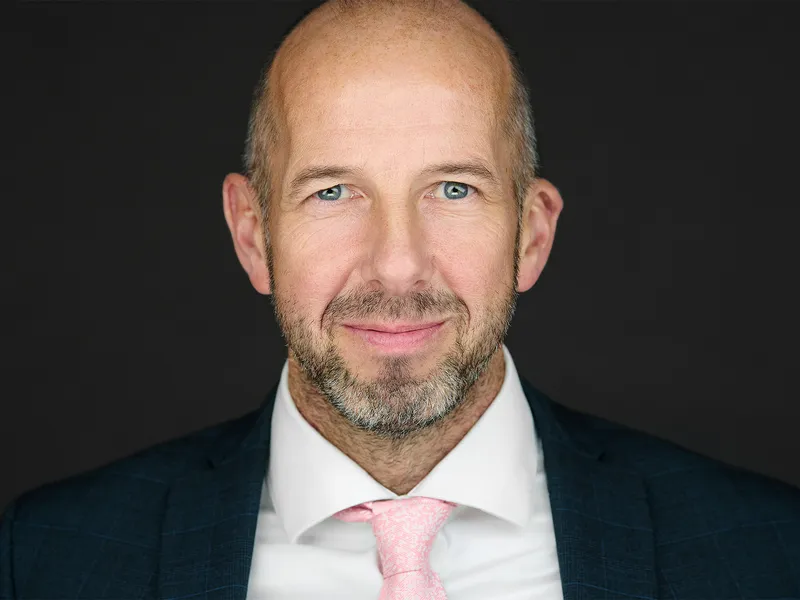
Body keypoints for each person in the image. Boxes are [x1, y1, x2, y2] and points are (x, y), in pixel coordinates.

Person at [2, 0, 799, 598]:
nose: (396, 266)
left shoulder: (770, 553)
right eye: (334, 191)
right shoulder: (44, 559)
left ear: (530, 235)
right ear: (251, 235)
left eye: (453, 189)